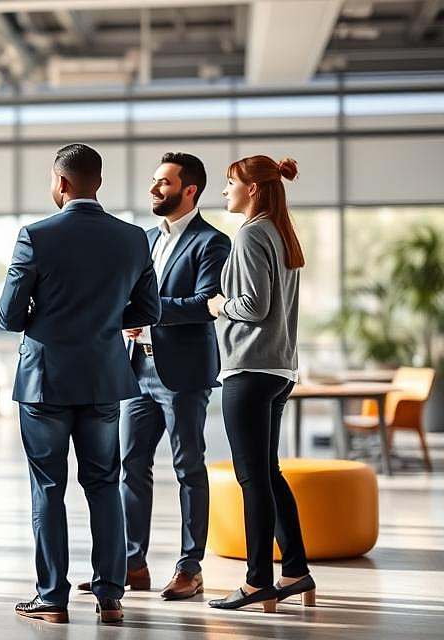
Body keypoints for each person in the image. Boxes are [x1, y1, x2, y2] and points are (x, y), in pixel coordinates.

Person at [0, 144, 160, 625]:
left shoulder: (35, 235)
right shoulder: (133, 239)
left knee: (49, 487)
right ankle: (110, 596)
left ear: (62, 183)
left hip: (45, 381)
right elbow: (149, 311)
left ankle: (52, 598)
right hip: (105, 377)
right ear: (99, 182)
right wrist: (107, 323)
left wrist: (45, 318)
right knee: (104, 484)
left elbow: (9, 315)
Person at [77, 152, 231, 600]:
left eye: (163, 183)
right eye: (153, 181)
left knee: (187, 467)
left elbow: (207, 303)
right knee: (130, 466)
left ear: (190, 191)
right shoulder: (143, 239)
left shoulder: (211, 242)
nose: (153, 189)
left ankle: (190, 566)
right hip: (135, 367)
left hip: (182, 374)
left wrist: (149, 315)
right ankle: (133, 563)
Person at [205, 155, 315, 613]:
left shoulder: (251, 233)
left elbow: (252, 306)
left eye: (230, 183)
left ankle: (256, 582)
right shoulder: (280, 231)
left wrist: (217, 306)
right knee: (269, 474)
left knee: (253, 479)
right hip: (279, 369)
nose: (225, 191)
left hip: (249, 369)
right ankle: (295, 571)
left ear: (252, 189)